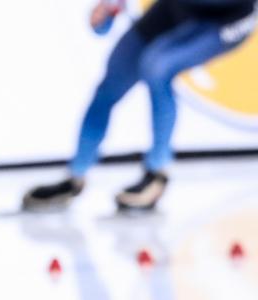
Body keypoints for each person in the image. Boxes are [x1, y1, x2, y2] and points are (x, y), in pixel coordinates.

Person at [23, 0, 256, 211]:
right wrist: (110, 7)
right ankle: (75, 176)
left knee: (158, 66)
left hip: (228, 16)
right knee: (110, 84)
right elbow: (100, 27)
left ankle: (157, 172)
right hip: (179, 7)